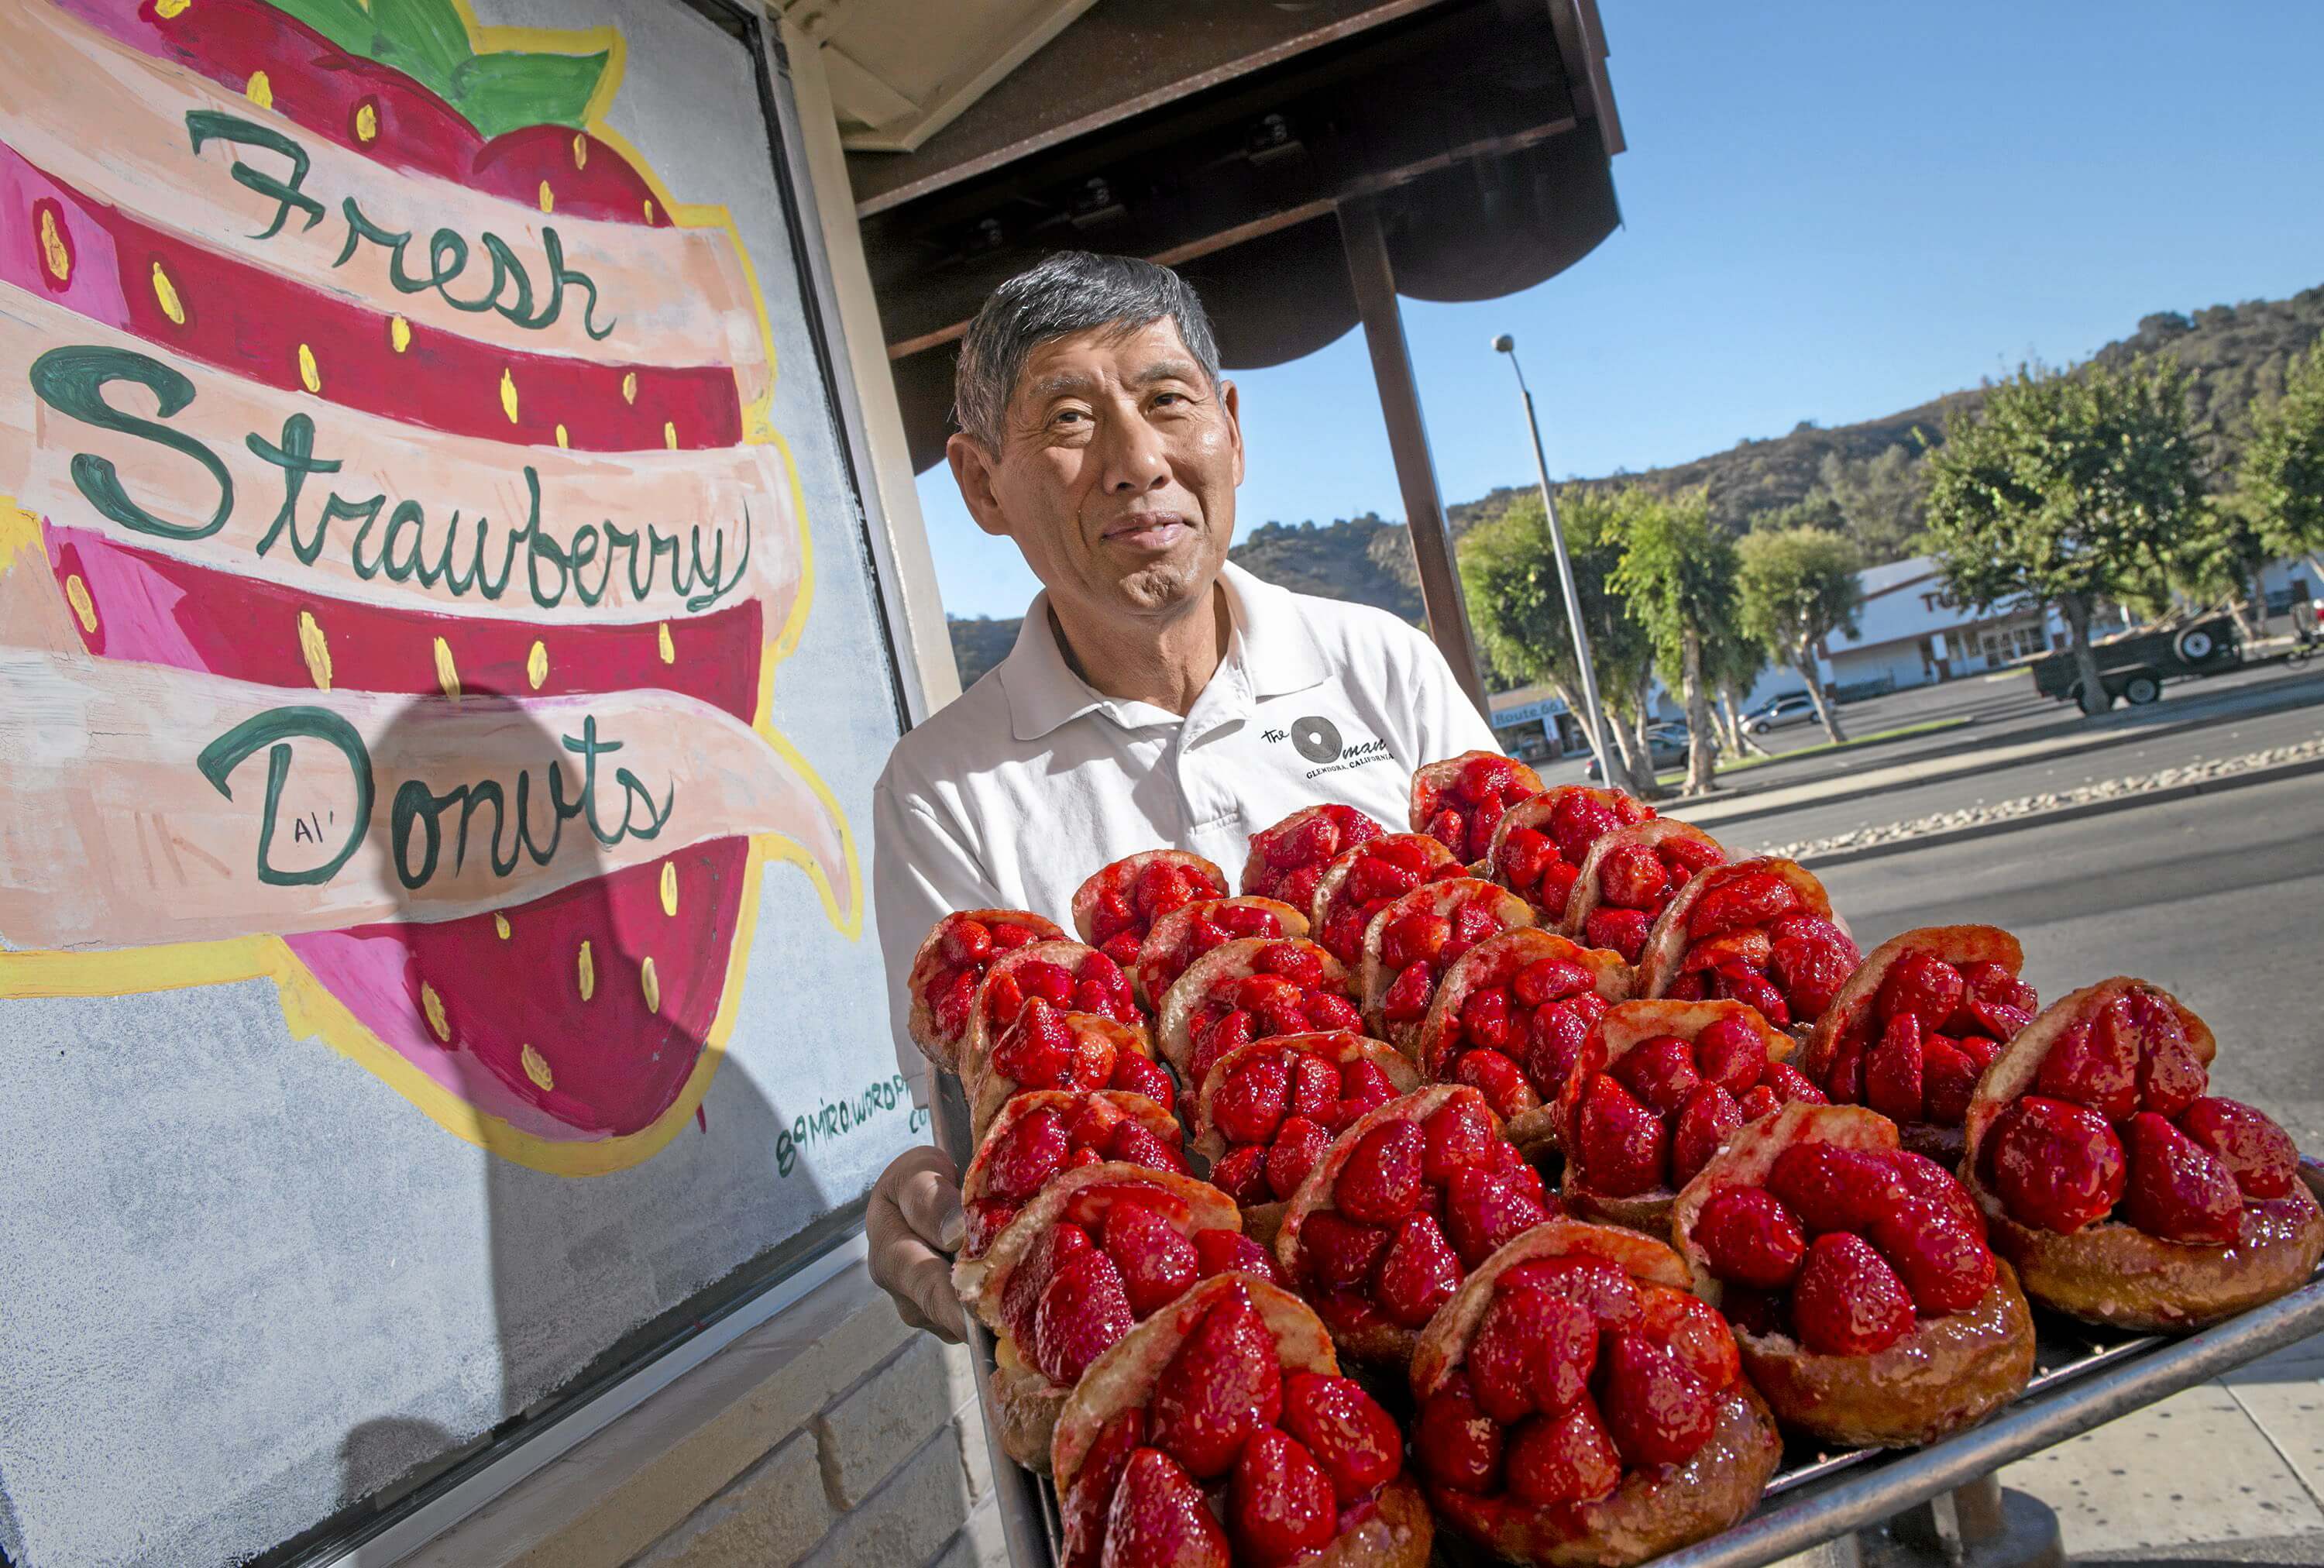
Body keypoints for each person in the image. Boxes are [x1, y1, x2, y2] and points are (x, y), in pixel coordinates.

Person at [865, 251, 1499, 1339]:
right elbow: (1004, 1122)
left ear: (1233, 429)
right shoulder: (944, 791)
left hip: (1486, 1271)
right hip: (1201, 1352)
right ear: (980, 485)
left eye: (1167, 400)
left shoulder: (1378, 663)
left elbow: (1523, 970)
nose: (1137, 461)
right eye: (1068, 420)